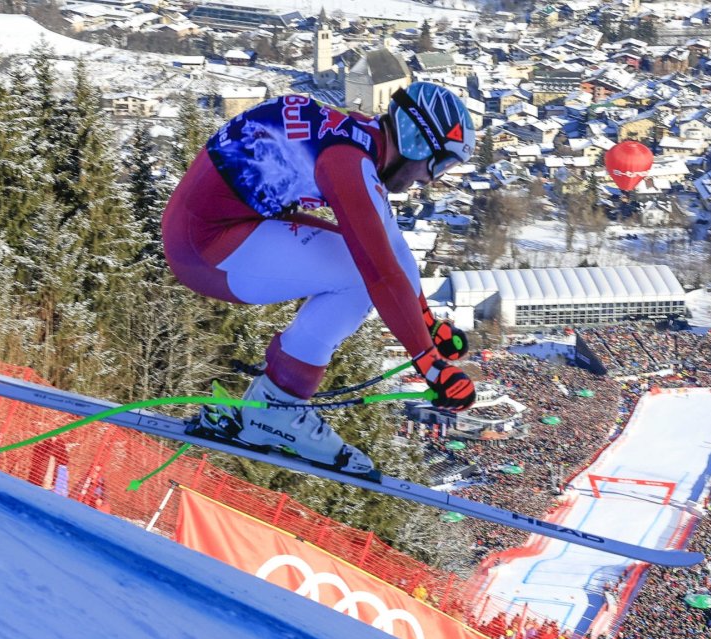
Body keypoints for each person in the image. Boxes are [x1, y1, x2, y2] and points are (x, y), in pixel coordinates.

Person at [162, 83, 477, 472]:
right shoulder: (347, 161)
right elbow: (381, 271)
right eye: (439, 164)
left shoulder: (361, 139)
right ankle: (278, 408)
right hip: (206, 250)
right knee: (359, 277)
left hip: (214, 231)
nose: (431, 180)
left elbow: (392, 245)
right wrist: (429, 363)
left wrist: (426, 326)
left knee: (359, 260)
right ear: (416, 141)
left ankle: (276, 401)